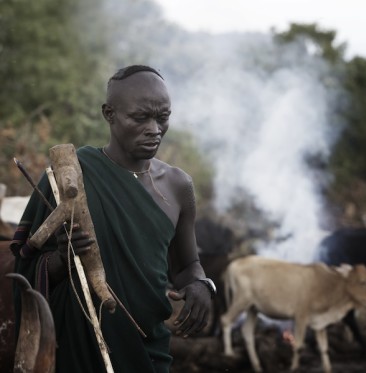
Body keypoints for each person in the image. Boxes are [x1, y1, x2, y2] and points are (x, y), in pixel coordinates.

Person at [11, 65, 215, 372]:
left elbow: (186, 266)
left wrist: (202, 285)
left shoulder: (178, 186)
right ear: (109, 114)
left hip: (148, 349)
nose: (154, 129)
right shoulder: (68, 177)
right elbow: (24, 269)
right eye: (140, 117)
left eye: (163, 117)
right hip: (78, 345)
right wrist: (62, 259)